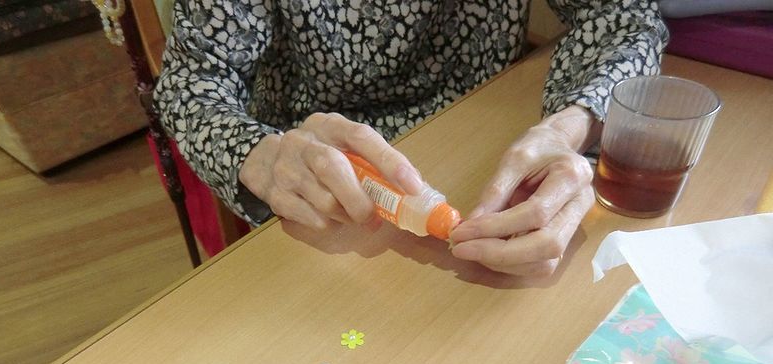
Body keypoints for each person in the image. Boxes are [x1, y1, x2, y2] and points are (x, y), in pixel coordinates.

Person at [155, 0, 668, 276]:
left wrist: (566, 129)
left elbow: (623, 19)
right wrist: (262, 157)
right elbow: (188, 83)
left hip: (485, 147)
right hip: (322, 190)